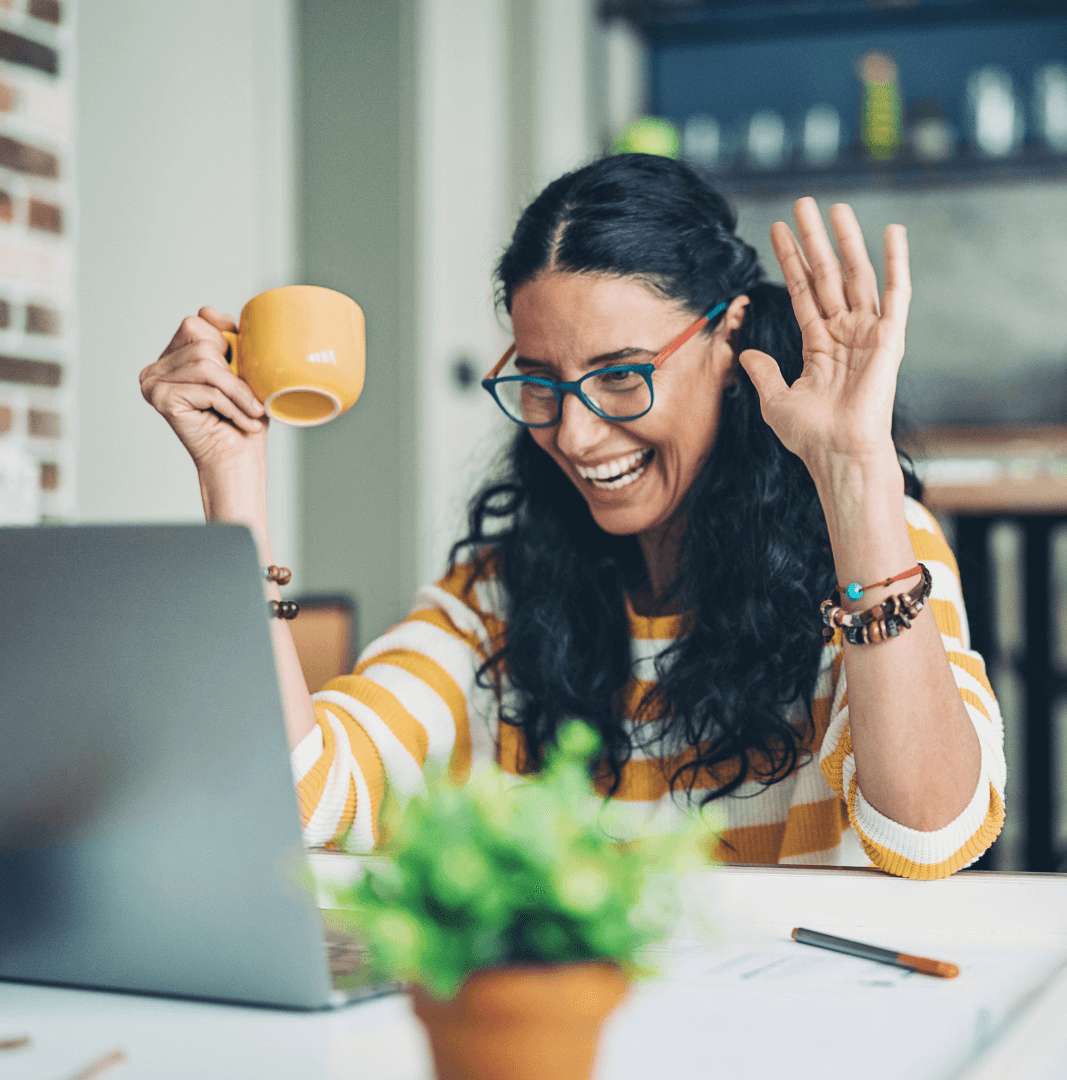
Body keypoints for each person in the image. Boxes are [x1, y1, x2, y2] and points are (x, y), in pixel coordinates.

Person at [141, 154, 1004, 878]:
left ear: (729, 340)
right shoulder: (498, 596)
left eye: (623, 374)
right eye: (542, 383)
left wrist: (856, 476)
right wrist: (235, 485)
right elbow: (308, 801)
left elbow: (929, 834)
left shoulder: (870, 553)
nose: (578, 433)